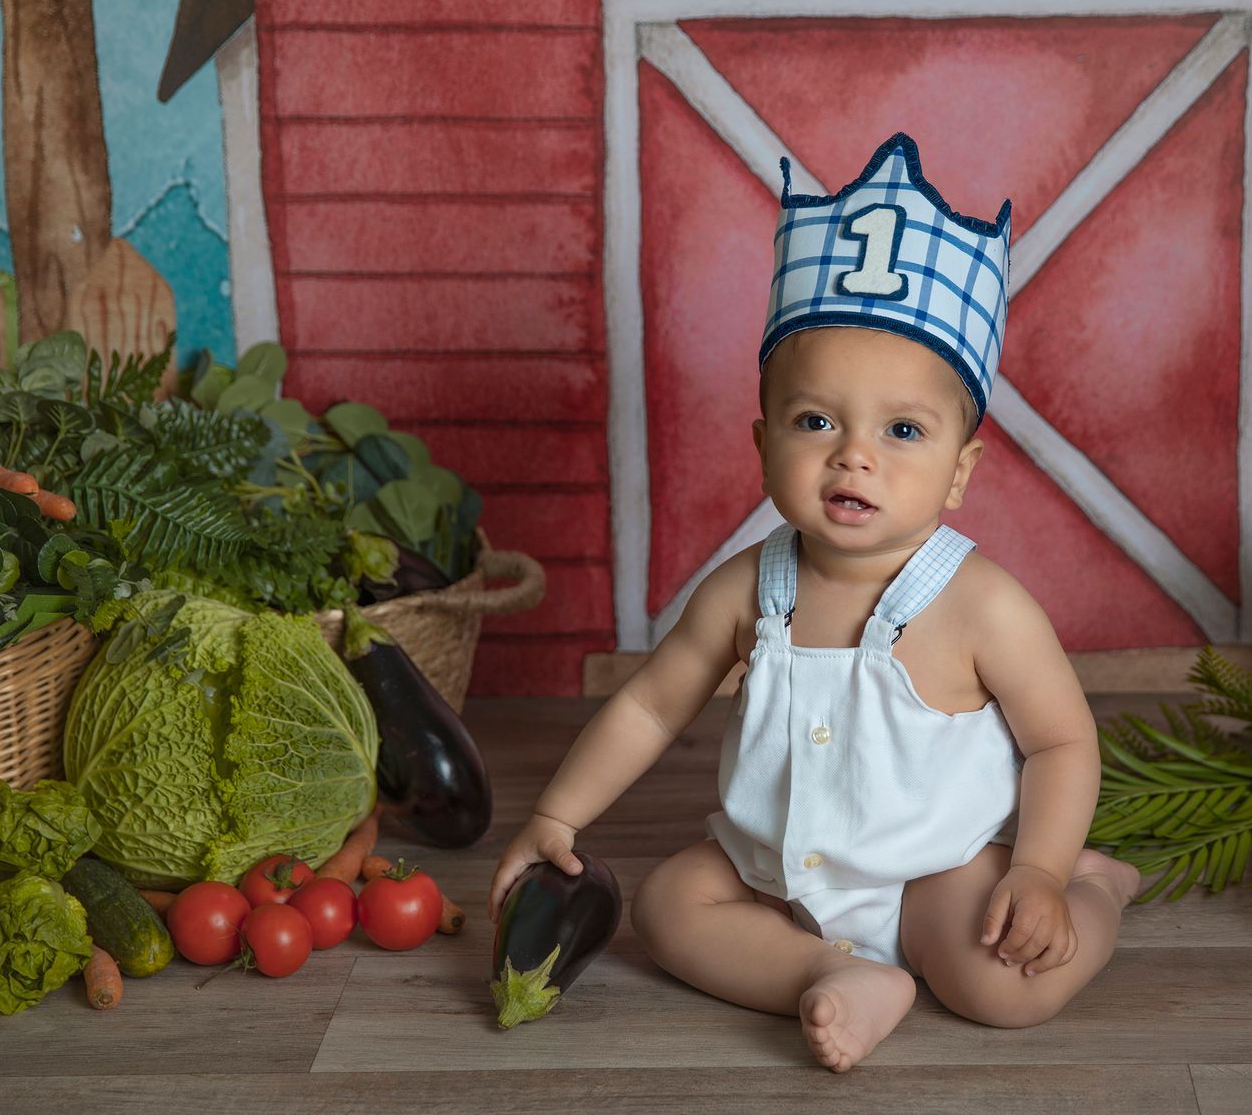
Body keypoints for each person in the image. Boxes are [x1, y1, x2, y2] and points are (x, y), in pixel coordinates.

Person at [489, 133, 1140, 1072]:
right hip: (774, 871)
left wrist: (1036, 869)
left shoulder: (980, 604)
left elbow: (1063, 742)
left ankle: (1097, 890)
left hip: (936, 874)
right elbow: (649, 703)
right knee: (670, 906)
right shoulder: (752, 583)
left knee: (1005, 986)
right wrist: (558, 816)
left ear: (960, 473)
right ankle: (828, 974)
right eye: (816, 420)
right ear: (763, 443)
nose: (854, 455)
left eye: (903, 430)